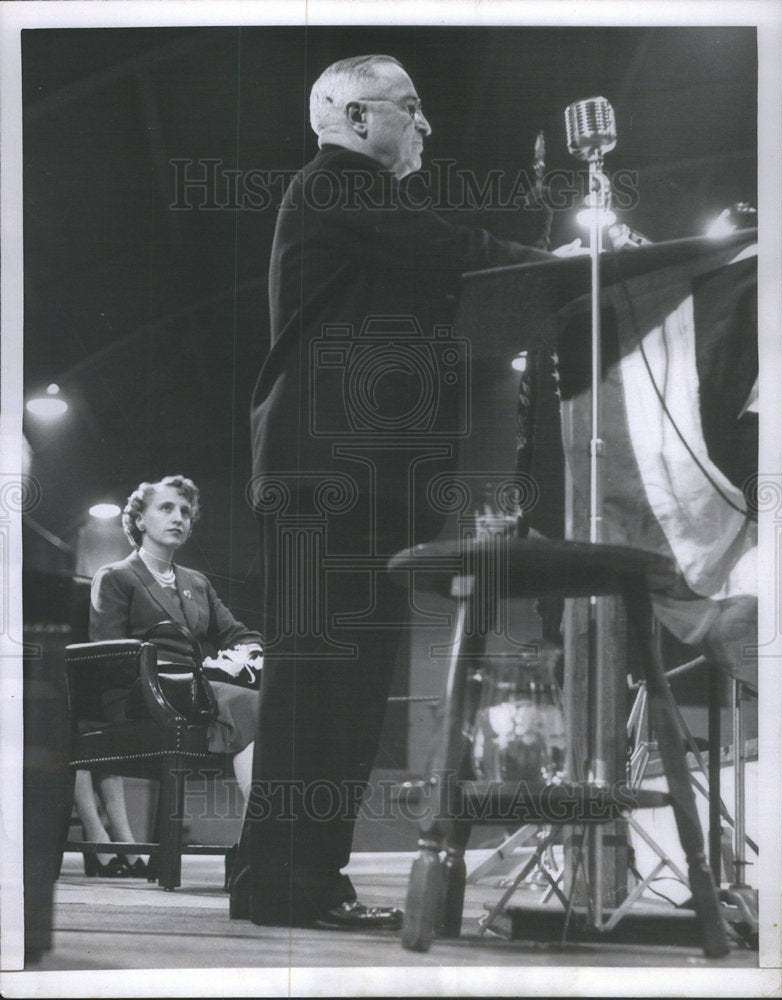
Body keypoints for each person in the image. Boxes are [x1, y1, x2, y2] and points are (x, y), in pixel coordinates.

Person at [236, 54, 572, 930]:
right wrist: (569, 267)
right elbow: (456, 253)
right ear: (353, 119)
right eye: (410, 108)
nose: (426, 125)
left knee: (338, 686)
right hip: (329, 476)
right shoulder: (337, 185)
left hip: (353, 477)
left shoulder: (356, 199)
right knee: (323, 685)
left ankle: (298, 878)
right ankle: (284, 885)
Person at [89, 475, 264, 878]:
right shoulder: (116, 575)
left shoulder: (196, 583)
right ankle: (263, 849)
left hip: (195, 694)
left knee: (263, 705)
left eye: (185, 511)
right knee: (248, 703)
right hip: (138, 696)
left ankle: (257, 846)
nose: (179, 517)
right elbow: (107, 655)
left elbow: (240, 633)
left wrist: (248, 652)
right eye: (166, 508)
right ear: (139, 520)